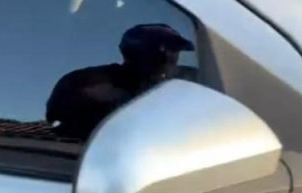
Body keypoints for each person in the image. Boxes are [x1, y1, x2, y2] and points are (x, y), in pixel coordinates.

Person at [46, 23, 195, 141]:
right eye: (170, 50)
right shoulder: (84, 82)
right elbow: (61, 126)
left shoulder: (188, 82)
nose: (174, 57)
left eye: (176, 51)